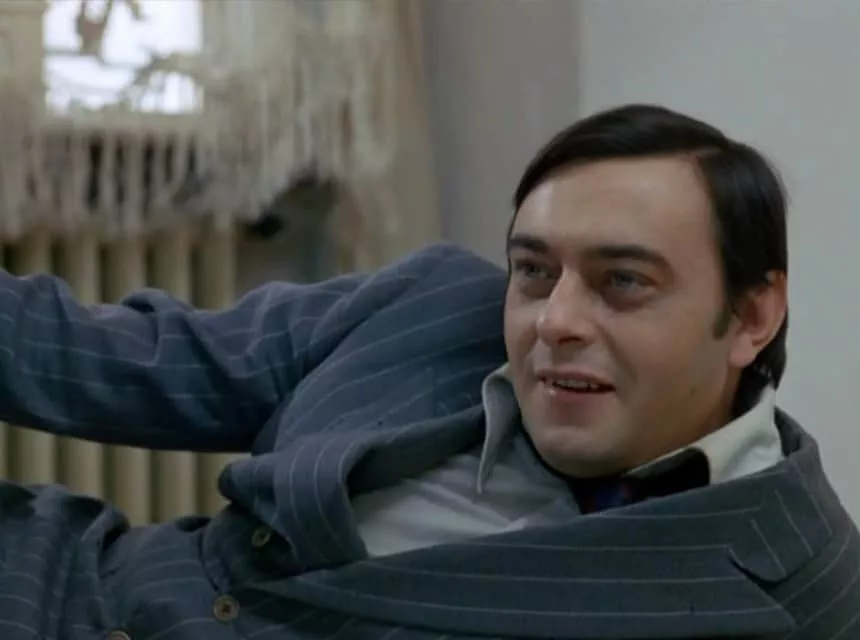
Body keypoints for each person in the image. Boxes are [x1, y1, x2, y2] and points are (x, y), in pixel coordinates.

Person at [0, 104, 855, 640]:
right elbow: (119, 357)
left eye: (623, 282)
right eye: (534, 271)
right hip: (52, 577)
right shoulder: (433, 306)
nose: (554, 321)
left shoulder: (799, 588)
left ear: (752, 316)